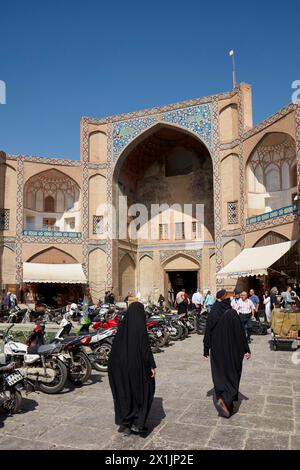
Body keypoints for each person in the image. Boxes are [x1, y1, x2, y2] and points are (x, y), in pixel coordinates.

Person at [108, 302, 156, 436]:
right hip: (135, 366)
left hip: (117, 366)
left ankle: (125, 421)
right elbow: (145, 348)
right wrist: (152, 365)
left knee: (124, 392)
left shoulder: (123, 326)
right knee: (145, 389)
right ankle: (137, 423)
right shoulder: (139, 326)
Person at [203, 296, 251, 418]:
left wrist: (206, 350)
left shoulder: (213, 312)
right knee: (232, 374)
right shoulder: (232, 313)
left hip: (217, 351)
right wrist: (246, 349)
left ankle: (222, 398)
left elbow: (208, 331)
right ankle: (227, 402)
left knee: (220, 374)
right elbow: (240, 333)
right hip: (232, 351)